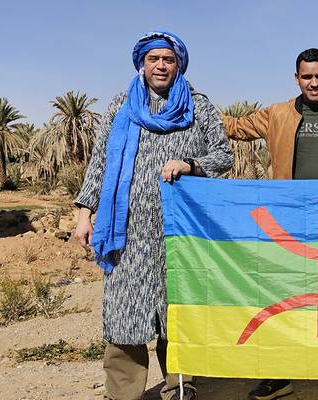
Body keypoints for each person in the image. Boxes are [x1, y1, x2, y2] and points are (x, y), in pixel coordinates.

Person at [73, 30, 233, 400]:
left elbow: (223, 156)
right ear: (142, 63)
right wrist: (84, 213)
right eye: (153, 59)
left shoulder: (198, 106)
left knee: (176, 310)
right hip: (126, 232)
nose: (161, 65)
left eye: (168, 59)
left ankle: (180, 386)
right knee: (123, 314)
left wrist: (190, 164)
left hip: (181, 232)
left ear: (179, 64)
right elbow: (100, 162)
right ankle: (122, 392)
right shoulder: (121, 106)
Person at [221, 48, 318, 400]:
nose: (313, 82)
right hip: (287, 220)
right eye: (307, 76)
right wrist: (192, 104)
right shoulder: (276, 114)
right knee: (283, 295)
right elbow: (233, 128)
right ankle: (280, 374)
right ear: (296, 79)